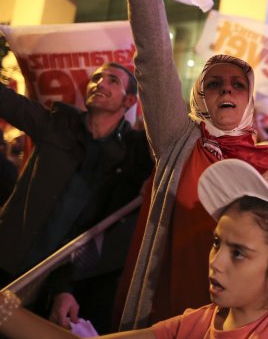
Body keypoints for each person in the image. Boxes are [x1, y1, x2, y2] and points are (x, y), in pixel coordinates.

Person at [101, 0, 268, 329]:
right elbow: (153, 56)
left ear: (249, 100)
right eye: (214, 83)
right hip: (163, 312)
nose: (227, 88)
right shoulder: (179, 139)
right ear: (199, 99)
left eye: (238, 83)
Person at [0, 158, 268, 338]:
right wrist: (6, 312)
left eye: (239, 253)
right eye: (217, 243)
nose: (215, 262)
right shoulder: (194, 324)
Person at [0, 61, 153, 301]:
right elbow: (7, 101)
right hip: (6, 255)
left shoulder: (133, 156)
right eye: (96, 78)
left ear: (130, 101)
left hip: (50, 285)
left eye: (113, 80)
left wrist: (64, 287)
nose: (100, 83)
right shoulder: (57, 123)